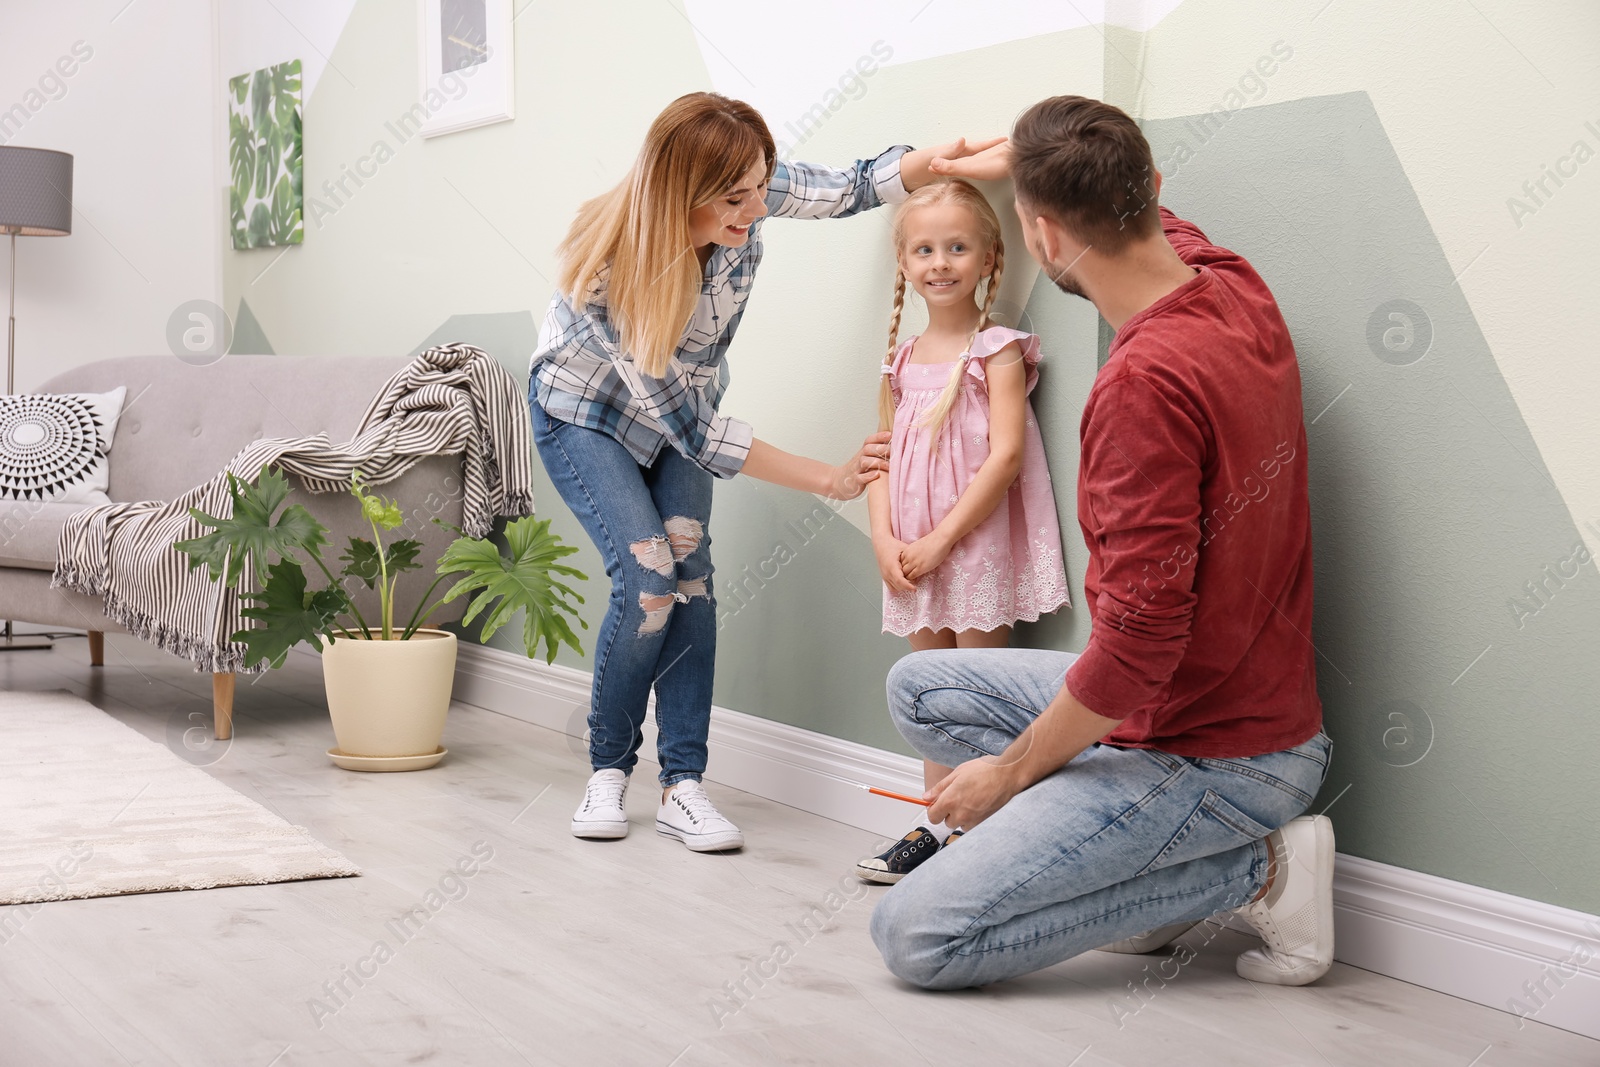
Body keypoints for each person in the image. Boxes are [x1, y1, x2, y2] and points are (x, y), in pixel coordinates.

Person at [867, 95, 1335, 989]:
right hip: (1215, 706)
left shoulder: (1139, 392)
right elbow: (1156, 218)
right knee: (923, 686)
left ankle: (1264, 869)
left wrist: (1005, 776)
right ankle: (1141, 860)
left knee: (916, 937)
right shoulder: (1235, 286)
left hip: (1226, 757)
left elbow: (1137, 650)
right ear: (1149, 189)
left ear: (1037, 237)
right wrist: (1038, 166)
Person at [531, 91, 999, 854]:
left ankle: (684, 785)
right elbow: (696, 431)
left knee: (692, 580)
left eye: (759, 188)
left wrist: (951, 159)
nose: (755, 208)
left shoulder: (747, 188)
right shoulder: (609, 280)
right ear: (684, 192)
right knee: (650, 577)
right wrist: (832, 478)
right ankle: (608, 769)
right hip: (586, 414)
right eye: (734, 198)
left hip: (682, 410)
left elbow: (852, 186)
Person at [854, 178, 1070, 885]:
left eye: (956, 247)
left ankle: (983, 831)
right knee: (926, 695)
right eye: (924, 248)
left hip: (967, 544)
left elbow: (1005, 457)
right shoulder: (898, 361)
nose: (940, 261)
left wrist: (942, 539)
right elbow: (880, 459)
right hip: (910, 549)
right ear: (905, 262)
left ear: (987, 257)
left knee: (977, 695)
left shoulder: (997, 351)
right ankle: (933, 823)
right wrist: (885, 539)